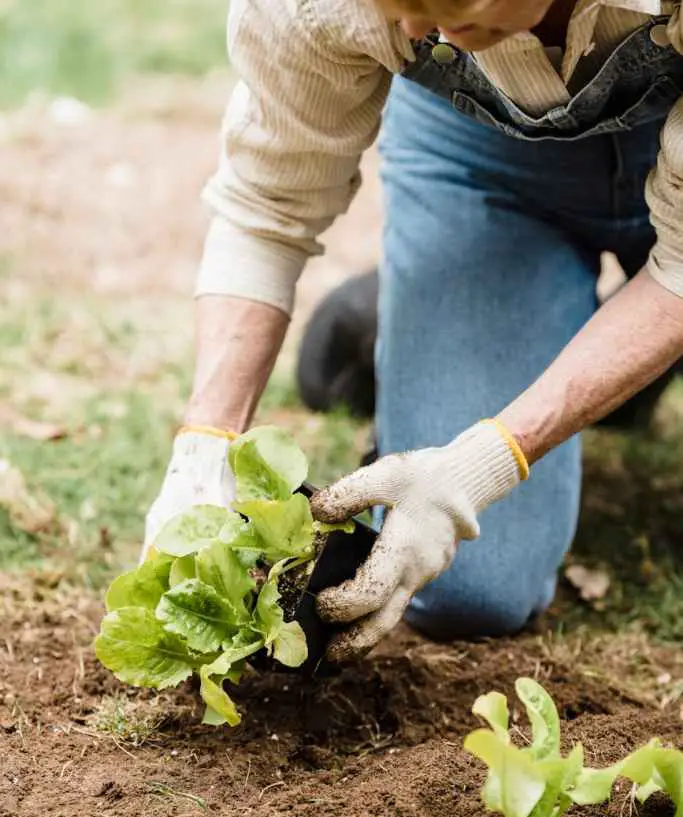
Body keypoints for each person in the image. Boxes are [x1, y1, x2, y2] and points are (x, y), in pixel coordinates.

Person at [144, 0, 683, 661]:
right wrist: (204, 447)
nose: (415, 31)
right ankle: (452, 306)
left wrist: (481, 463)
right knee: (471, 592)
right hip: (488, 162)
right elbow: (265, 206)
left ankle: (616, 349)